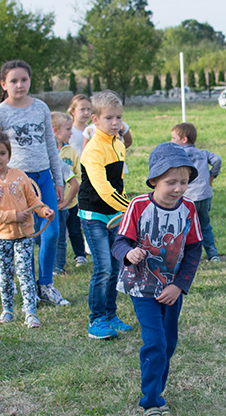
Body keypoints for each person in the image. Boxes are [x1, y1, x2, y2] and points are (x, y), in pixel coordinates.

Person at [112, 142, 202, 416]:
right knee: (155, 342)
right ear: (154, 181)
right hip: (142, 287)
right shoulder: (138, 206)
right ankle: (150, 403)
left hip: (171, 289)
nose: (178, 188)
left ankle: (157, 391)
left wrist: (179, 286)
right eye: (170, 182)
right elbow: (119, 242)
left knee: (169, 342)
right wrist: (128, 253)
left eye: (184, 182)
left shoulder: (189, 208)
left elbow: (193, 250)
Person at [0, 60, 69, 305]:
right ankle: (29, 289)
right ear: (4, 84)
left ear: (30, 81)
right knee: (25, 236)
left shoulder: (41, 108)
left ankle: (46, 285)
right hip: (18, 183)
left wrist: (57, 179)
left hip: (43, 177)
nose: (19, 85)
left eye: (24, 80)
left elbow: (51, 146)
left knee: (52, 231)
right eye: (13, 80)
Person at [0, 131, 54, 328]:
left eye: (2, 153)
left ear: (9, 155)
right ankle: (8, 310)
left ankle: (30, 311)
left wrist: (43, 210)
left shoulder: (19, 176)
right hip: (1, 236)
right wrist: (13, 216)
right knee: (5, 274)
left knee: (25, 271)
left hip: (24, 235)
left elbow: (32, 200)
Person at [78, 90, 134, 339]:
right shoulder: (93, 150)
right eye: (109, 118)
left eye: (118, 118)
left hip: (114, 216)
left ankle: (111, 315)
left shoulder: (119, 144)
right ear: (95, 120)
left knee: (115, 267)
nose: (115, 123)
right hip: (93, 216)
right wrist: (130, 208)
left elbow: (119, 182)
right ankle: (96, 320)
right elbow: (104, 189)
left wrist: (124, 208)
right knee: (102, 268)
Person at [171, 122, 222, 261]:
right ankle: (213, 255)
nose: (172, 141)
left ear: (184, 139)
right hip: (205, 196)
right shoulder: (203, 153)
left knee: (184, 228)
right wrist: (212, 176)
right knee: (205, 225)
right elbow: (217, 159)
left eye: (174, 138)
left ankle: (184, 256)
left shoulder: (179, 154)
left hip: (188, 199)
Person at [51, 111, 84, 274]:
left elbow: (77, 175)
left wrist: (70, 194)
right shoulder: (47, 153)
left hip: (71, 200)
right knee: (56, 235)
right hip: (53, 202)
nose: (72, 132)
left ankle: (78, 255)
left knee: (75, 229)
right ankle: (55, 263)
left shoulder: (70, 151)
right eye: (68, 129)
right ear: (55, 130)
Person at [67, 94, 92, 158]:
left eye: (88, 109)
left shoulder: (93, 130)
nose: (86, 112)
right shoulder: (69, 131)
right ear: (73, 111)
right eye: (82, 109)